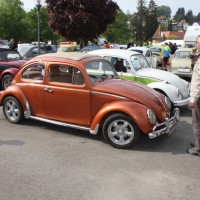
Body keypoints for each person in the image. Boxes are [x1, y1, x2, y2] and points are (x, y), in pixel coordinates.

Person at [187, 34, 200, 156]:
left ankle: (198, 148)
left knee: (196, 123)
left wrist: (193, 99)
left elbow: (198, 81)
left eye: (197, 42)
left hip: (199, 97)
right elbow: (192, 57)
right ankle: (198, 143)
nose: (195, 44)